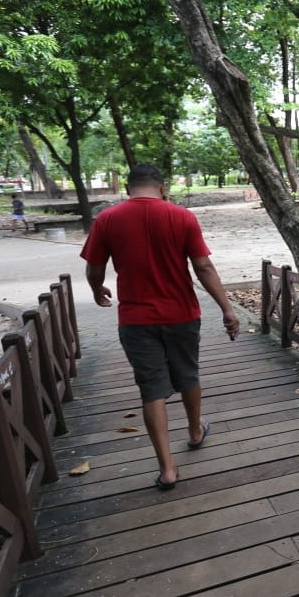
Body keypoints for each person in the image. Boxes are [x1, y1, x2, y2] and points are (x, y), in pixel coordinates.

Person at [80, 163, 239, 491]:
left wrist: (97, 289)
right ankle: (196, 432)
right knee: (188, 374)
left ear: (128, 189)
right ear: (163, 187)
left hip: (136, 320)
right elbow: (203, 266)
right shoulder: (182, 217)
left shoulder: (107, 219)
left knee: (151, 389)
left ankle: (167, 469)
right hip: (181, 313)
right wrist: (226, 308)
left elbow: (95, 268)